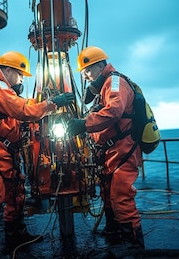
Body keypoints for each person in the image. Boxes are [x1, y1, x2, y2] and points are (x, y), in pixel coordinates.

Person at [0, 51, 75, 257]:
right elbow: (24, 111)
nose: (20, 80)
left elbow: (19, 109)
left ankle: (15, 235)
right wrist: (54, 103)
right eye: (18, 75)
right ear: (8, 70)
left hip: (4, 153)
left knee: (16, 194)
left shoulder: (1, 89)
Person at [67, 46, 145, 249]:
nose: (85, 77)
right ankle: (115, 232)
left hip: (123, 149)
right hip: (111, 151)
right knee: (108, 192)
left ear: (100, 65)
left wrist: (84, 124)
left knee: (121, 195)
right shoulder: (105, 86)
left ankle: (132, 245)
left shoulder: (114, 82)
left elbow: (114, 111)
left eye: (87, 71)